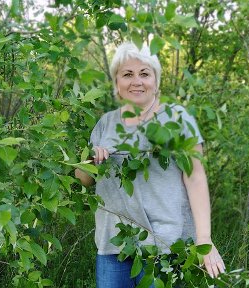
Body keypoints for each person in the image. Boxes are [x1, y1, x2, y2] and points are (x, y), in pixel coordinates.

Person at [75, 42, 225, 288]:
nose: (137, 81)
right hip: (113, 245)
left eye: (144, 73)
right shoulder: (105, 124)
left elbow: (196, 178)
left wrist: (204, 239)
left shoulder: (177, 118)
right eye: (127, 74)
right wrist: (91, 160)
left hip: (165, 246)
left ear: (156, 82)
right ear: (116, 83)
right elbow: (83, 179)